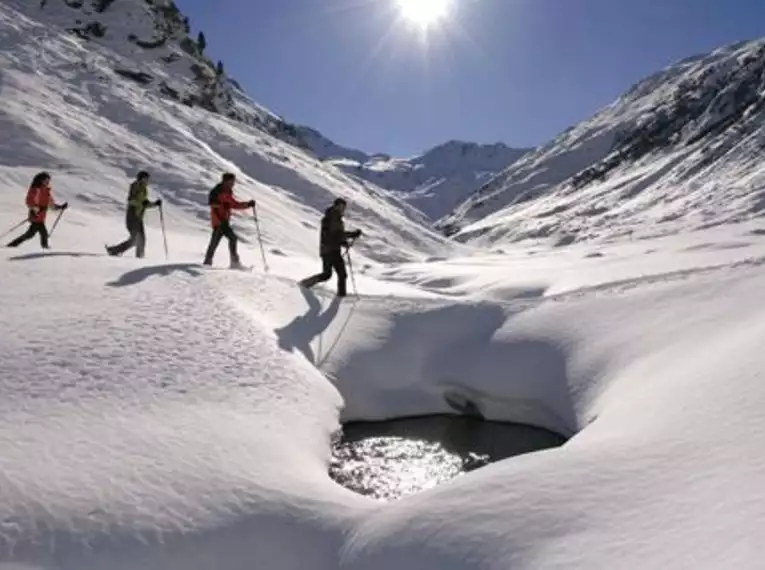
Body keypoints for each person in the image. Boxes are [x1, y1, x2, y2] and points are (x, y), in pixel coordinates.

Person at [299, 198, 362, 297]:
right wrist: (352, 234)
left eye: (344, 207)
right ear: (336, 206)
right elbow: (336, 235)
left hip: (330, 250)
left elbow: (335, 236)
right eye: (341, 206)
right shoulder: (332, 218)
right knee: (335, 274)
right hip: (329, 250)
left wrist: (344, 243)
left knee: (332, 274)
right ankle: (340, 297)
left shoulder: (336, 218)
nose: (343, 209)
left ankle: (306, 283)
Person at [203, 172, 254, 268]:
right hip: (219, 221)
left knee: (217, 241)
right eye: (231, 182)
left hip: (224, 221)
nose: (233, 184)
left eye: (233, 182)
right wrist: (221, 205)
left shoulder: (228, 192)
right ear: (225, 181)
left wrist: (248, 204)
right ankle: (233, 262)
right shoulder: (216, 191)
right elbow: (212, 204)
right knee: (228, 239)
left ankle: (208, 262)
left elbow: (234, 204)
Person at [106, 171, 161, 258]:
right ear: (141, 178)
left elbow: (144, 203)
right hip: (132, 215)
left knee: (141, 239)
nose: (147, 180)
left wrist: (155, 204)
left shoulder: (144, 189)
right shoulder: (135, 186)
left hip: (138, 217)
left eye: (147, 179)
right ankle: (115, 251)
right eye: (146, 178)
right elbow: (131, 200)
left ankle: (138, 257)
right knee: (136, 239)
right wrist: (142, 204)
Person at [7, 171, 67, 249]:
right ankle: (45, 248)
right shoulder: (36, 189)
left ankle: (12, 245)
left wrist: (60, 207)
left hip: (41, 216)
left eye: (48, 180)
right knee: (43, 233)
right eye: (46, 180)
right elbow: (29, 200)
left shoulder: (47, 191)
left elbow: (51, 204)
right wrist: (34, 209)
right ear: (41, 180)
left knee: (30, 234)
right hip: (36, 216)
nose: (48, 182)